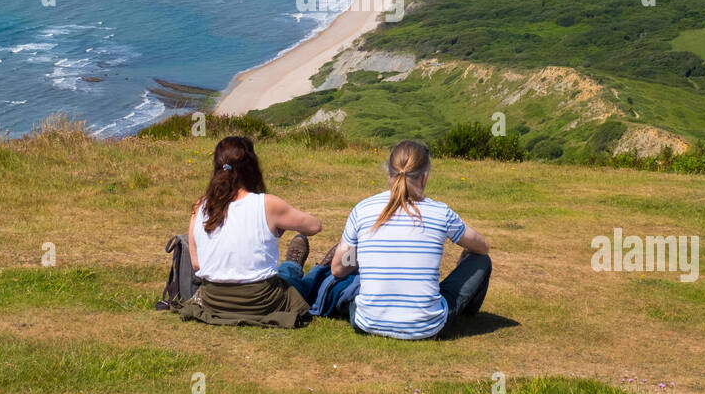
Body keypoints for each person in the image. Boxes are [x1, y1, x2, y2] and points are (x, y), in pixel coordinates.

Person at [330, 139, 491, 340]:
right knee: (481, 260)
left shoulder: (363, 209)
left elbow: (337, 268)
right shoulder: (440, 212)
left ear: (389, 173)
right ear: (424, 177)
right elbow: (482, 247)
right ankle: (466, 312)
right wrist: (467, 253)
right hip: (426, 328)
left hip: (366, 323)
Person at [180, 135, 322, 328]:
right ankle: (310, 267)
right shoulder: (266, 204)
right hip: (260, 300)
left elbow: (197, 264)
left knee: (284, 274)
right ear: (252, 167)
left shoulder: (201, 206)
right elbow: (314, 226)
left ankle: (298, 265)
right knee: (289, 275)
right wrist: (278, 225)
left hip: (214, 299)